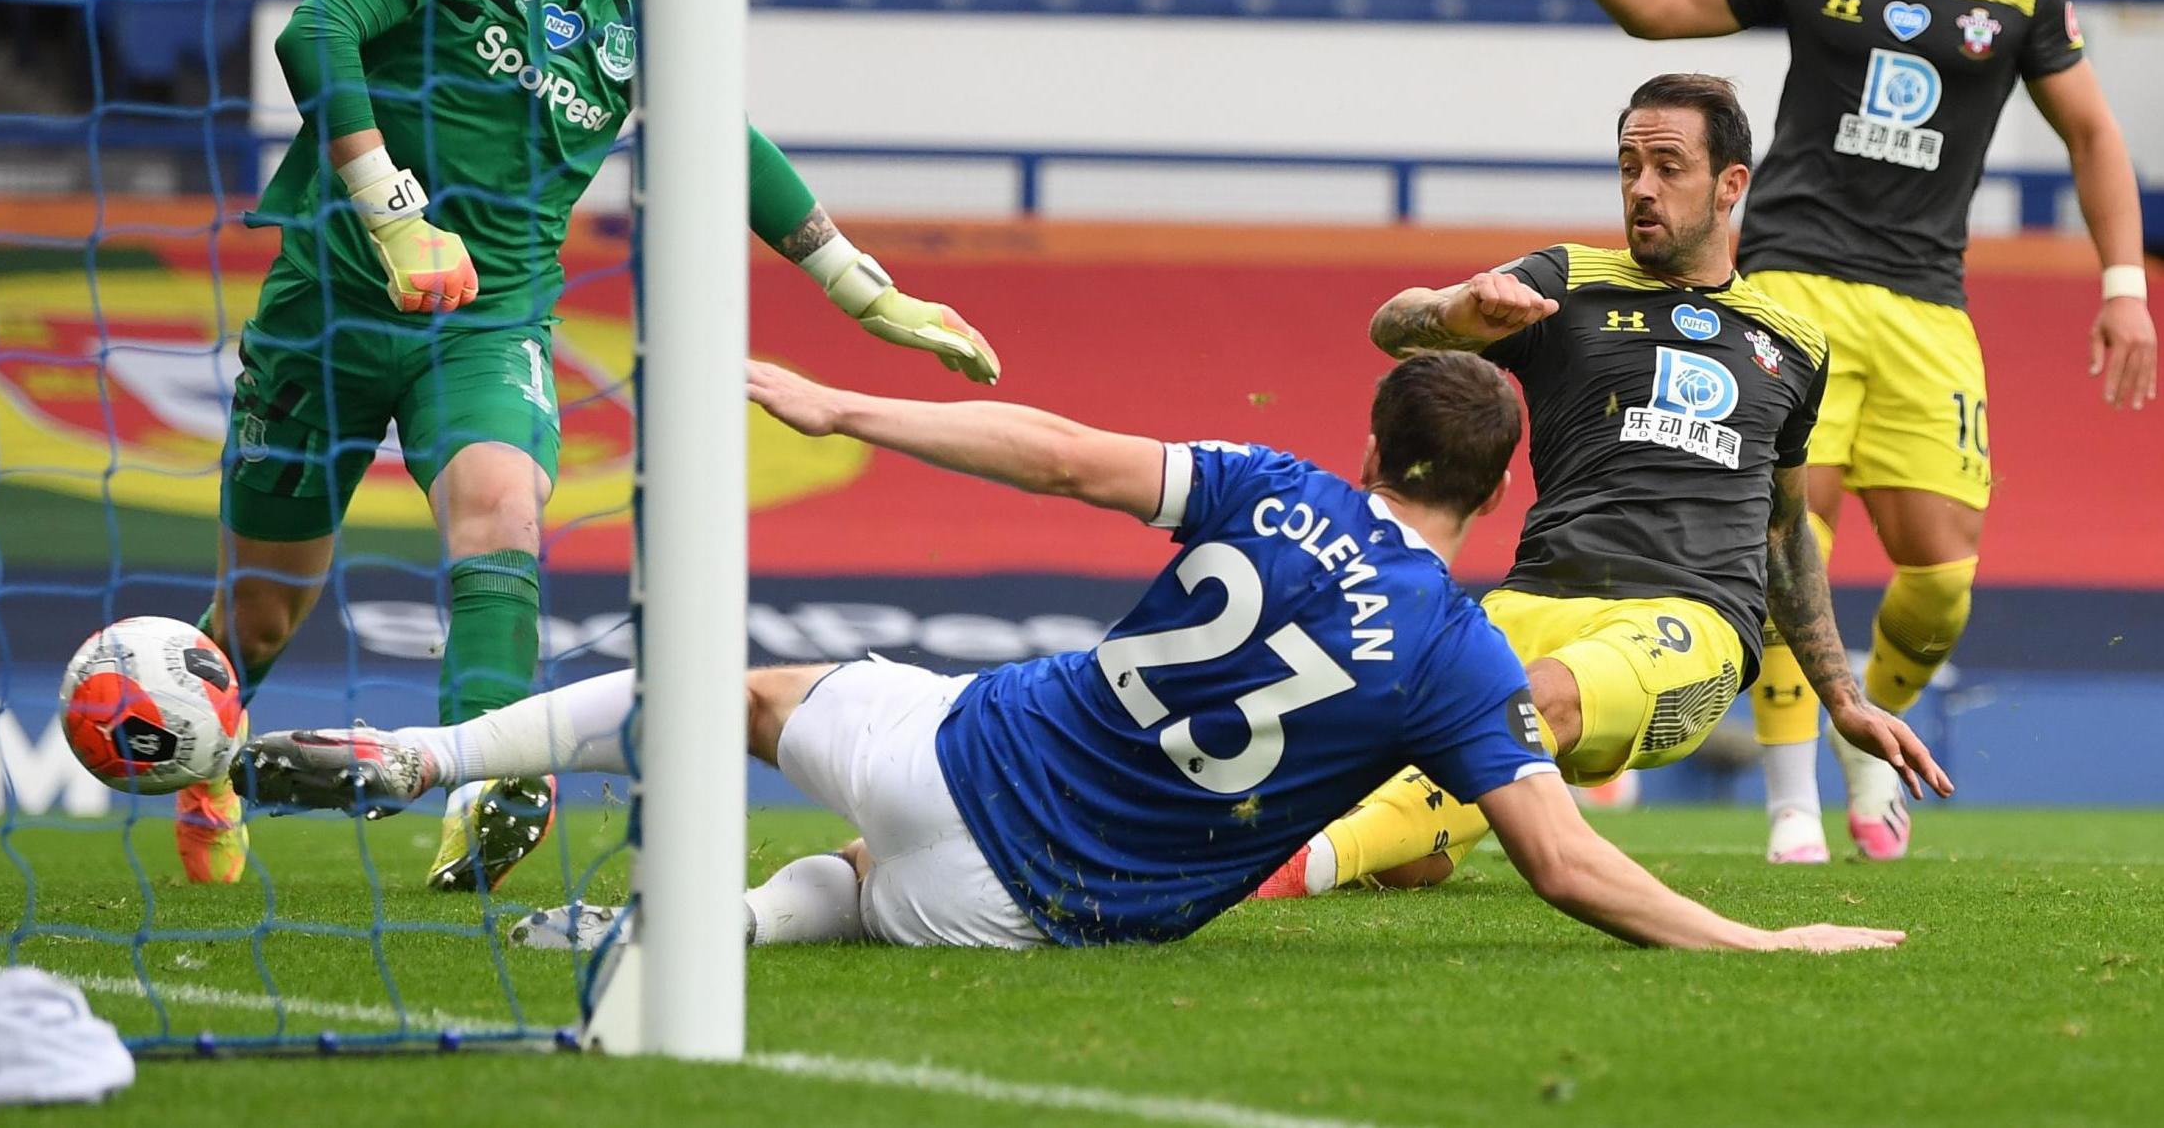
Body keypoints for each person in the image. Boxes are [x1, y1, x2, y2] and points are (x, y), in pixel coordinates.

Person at [235, 351, 1936, 956]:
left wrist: (835, 399)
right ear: (1502, 489)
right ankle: (675, 929)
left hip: (957, 746)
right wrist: (1759, 935)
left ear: (1367, 435)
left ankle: (414, 762)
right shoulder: (1457, 658)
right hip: (1046, 903)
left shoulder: (1268, 488)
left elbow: (1050, 450)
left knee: (735, 698)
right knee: (852, 881)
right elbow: (1568, 865)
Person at [178, 0, 1000, 891]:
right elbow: (319, 31)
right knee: (264, 613)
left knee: (500, 503)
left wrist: (859, 285)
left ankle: (482, 785)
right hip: (330, 301)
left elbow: (727, 139)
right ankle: (203, 763)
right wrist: (394, 214)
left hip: (488, 317)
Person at [1512, 0, 2155, 862]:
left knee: (1940, 578)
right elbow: (1656, 8)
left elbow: (2093, 135)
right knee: (1782, 532)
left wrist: (2122, 287)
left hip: (1923, 301)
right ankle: (1789, 806)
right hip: (1792, 285)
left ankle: (1865, 746)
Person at [1251, 73, 1946, 903]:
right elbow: (1393, 324)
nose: (1641, 187)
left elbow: (1784, 528)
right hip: (1534, 596)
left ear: (1731, 184)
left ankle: (1278, 875)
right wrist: (1462, 312)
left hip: (1689, 618)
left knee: (1524, 703)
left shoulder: (1793, 342)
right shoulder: (1566, 281)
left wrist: (1843, 695)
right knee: (1391, 809)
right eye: (1627, 165)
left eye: (1667, 165)